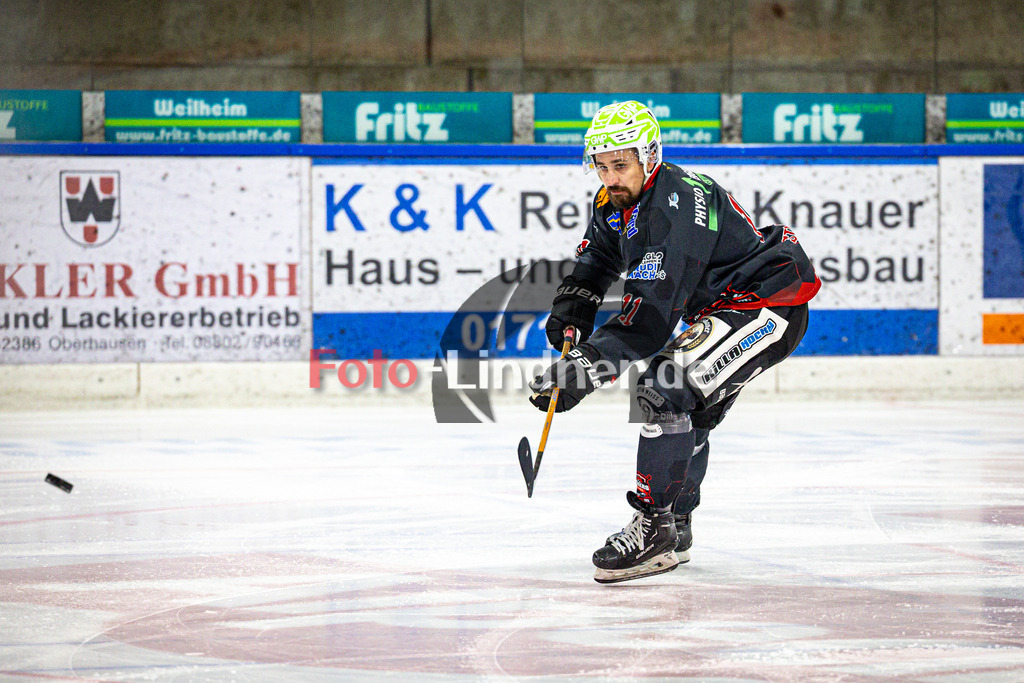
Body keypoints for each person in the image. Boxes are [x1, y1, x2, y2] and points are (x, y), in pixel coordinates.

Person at [528, 101, 821, 584]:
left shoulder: (675, 206)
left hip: (764, 306)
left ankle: (655, 527)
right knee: (689, 408)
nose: (610, 178)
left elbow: (650, 319)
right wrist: (571, 314)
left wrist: (585, 367)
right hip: (725, 307)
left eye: (620, 165)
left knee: (663, 388)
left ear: (650, 157)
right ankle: (675, 524)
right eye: (601, 167)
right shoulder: (615, 202)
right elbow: (598, 260)